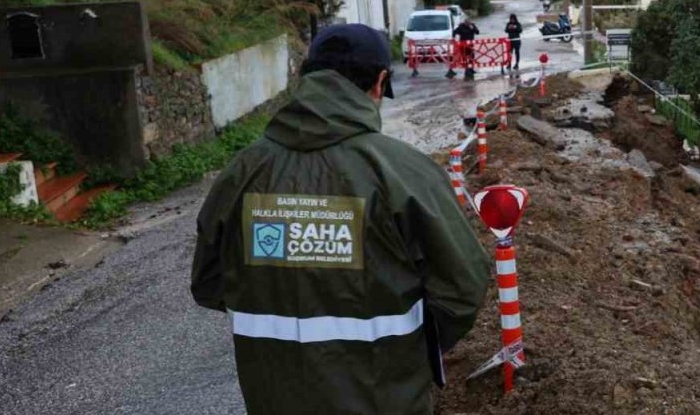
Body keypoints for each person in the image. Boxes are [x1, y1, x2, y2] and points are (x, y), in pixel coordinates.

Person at [191, 24, 490, 415]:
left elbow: (208, 284)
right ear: (380, 82)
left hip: (273, 398)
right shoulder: (403, 171)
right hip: (386, 397)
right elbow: (463, 287)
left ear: (305, 77)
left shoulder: (241, 171)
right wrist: (408, 348)